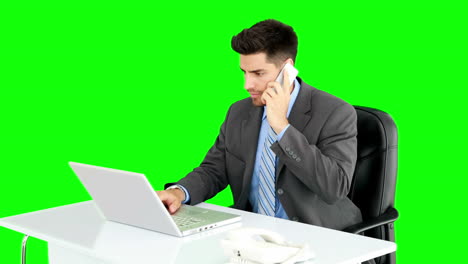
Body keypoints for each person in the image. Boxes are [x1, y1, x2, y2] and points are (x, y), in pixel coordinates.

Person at [157, 19, 362, 230]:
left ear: (287, 70)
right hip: (253, 236)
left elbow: (334, 187)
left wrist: (282, 128)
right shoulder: (238, 112)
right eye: (244, 72)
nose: (248, 85)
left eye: (258, 73)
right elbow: (213, 170)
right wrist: (178, 193)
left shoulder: (336, 113)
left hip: (319, 235)